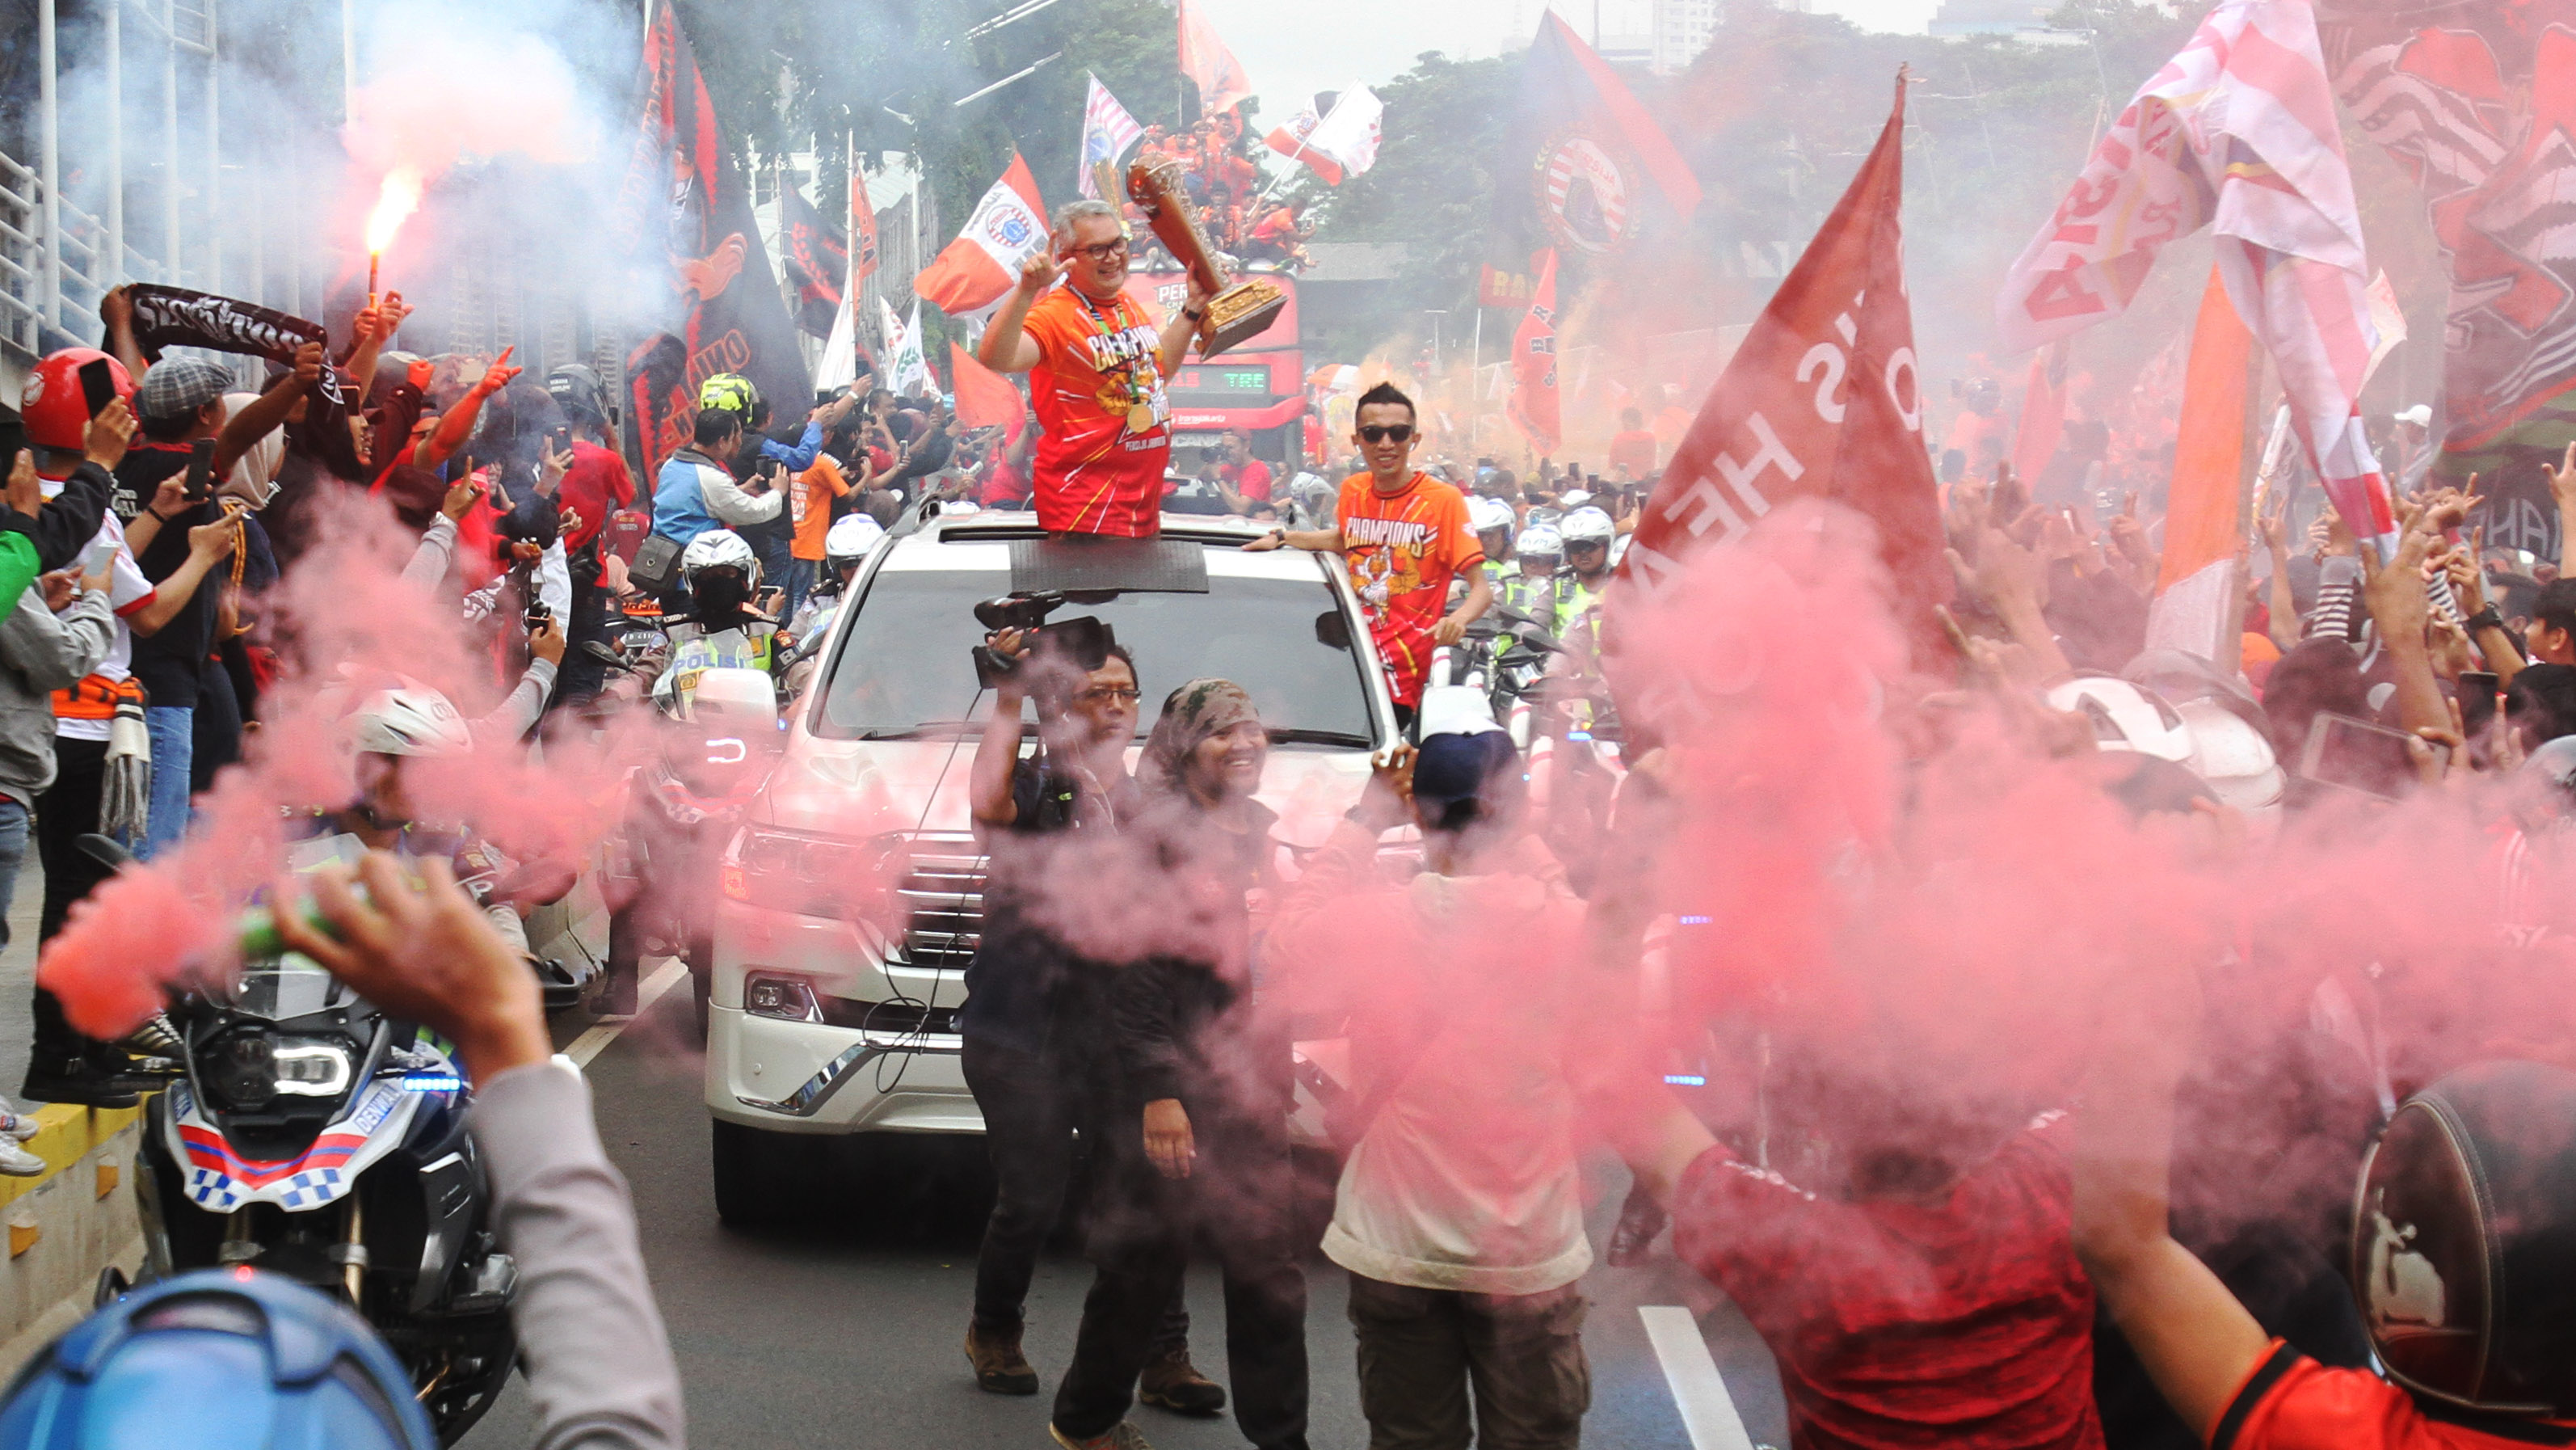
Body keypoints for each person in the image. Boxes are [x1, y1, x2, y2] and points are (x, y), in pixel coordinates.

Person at [0, 850, 685, 1448]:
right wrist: (509, 1045)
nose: (376, 775)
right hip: (294, 1049)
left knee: (472, 1156)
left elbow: (499, 900)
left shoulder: (442, 837)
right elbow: (620, 1420)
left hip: (388, 1058)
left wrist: (506, 961)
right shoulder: (297, 836)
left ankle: (502, 1304)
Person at [1267, 727, 1599, 1450]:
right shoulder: (1567, 926)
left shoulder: (1380, 921)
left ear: (1419, 815)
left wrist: (1366, 816)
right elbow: (1570, 909)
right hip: (1526, 1252)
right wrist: (1527, 836)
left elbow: (1285, 937)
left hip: (1395, 1239)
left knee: (1412, 1439)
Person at [958, 624, 1219, 1414]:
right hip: (1022, 1028)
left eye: (1122, 693)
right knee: (1032, 1193)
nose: (1112, 707)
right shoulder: (1035, 787)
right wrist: (1006, 697)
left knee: (1145, 1191)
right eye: (1092, 693)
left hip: (1118, 1032)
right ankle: (993, 1328)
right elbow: (987, 800)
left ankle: (1160, 1355)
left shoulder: (1152, 805)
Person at [1050, 679, 1310, 1450]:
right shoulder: (1154, 839)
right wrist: (1159, 1093)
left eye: (1252, 728)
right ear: (1181, 748)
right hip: (1172, 1088)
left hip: (1249, 1085)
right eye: (1220, 733)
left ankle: (1281, 1437)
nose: (1245, 744)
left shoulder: (1252, 836)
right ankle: (1085, 1421)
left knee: (1269, 1270)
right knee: (1144, 1264)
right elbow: (1133, 975)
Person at [1246, 382, 1492, 731]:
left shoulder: (1444, 500)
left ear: (1414, 439)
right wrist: (1285, 537)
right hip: (1342, 662)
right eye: (1374, 434)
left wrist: (1458, 620)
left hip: (1395, 682)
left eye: (1398, 433)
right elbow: (1350, 541)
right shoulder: (1353, 490)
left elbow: (1481, 589)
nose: (1386, 444)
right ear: (1357, 441)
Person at [977, 199, 1211, 538]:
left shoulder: (1125, 303)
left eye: (1118, 243)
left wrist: (1192, 310)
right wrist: (1027, 288)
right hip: (1085, 515)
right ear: (1066, 257)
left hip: (1140, 509)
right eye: (1098, 249)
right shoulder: (1056, 314)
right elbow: (996, 358)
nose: (1114, 257)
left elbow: (1155, 373)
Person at [651, 407, 781, 559]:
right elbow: (752, 512)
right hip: (693, 563)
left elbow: (693, 501)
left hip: (661, 558)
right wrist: (778, 492)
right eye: (736, 437)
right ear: (721, 442)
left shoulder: (671, 465)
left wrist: (741, 490)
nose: (739, 442)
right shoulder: (710, 477)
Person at [1607, 407, 1660, 481]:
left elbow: (1612, 464)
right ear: (1640, 421)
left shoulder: (1619, 438)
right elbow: (1652, 462)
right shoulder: (1651, 438)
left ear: (1624, 422)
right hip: (1645, 481)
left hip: (1625, 481)